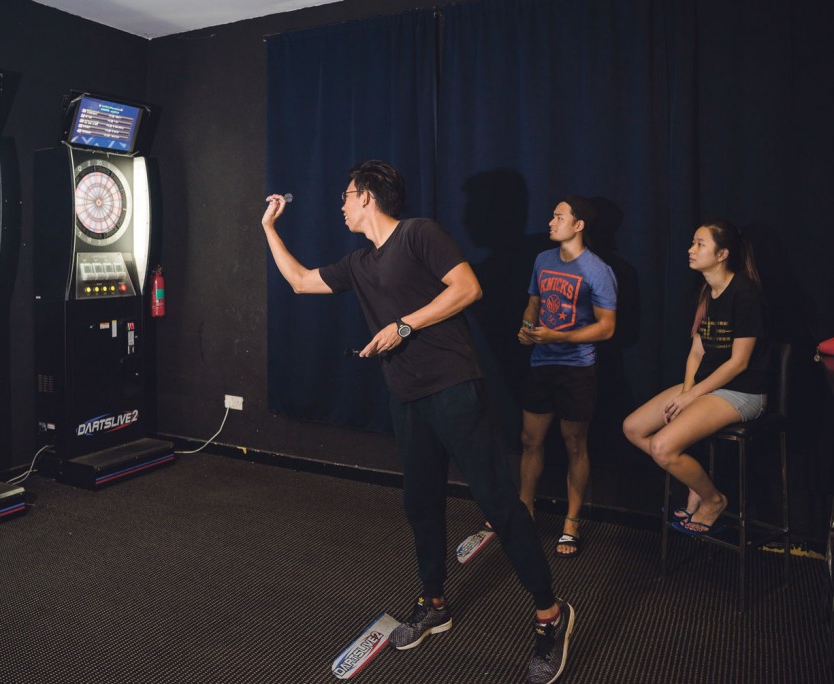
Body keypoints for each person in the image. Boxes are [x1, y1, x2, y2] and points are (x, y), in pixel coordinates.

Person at [261, 160, 573, 684]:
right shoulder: (359, 263)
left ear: (366, 198)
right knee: (420, 503)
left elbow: (467, 288)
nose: (340, 206)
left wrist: (403, 325)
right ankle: (434, 603)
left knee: (498, 501)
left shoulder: (418, 234)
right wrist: (270, 228)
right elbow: (297, 282)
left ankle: (550, 614)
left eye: (345, 196)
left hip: (454, 387)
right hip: (406, 399)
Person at [622, 219, 767, 535]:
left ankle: (712, 499)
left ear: (722, 254)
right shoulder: (707, 292)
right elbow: (697, 353)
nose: (691, 249)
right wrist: (686, 391)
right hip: (706, 387)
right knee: (633, 428)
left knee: (662, 447)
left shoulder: (744, 293)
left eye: (700, 244)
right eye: (692, 242)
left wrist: (691, 396)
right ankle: (695, 481)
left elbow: (739, 363)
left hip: (741, 392)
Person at [517, 197, 617, 558]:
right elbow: (534, 300)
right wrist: (527, 326)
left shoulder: (598, 270)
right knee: (531, 440)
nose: (551, 221)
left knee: (575, 444)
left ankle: (571, 523)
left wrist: (560, 337)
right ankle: (523, 509)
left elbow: (607, 328)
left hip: (577, 368)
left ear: (578, 226)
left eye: (559, 216)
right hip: (541, 363)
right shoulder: (543, 260)